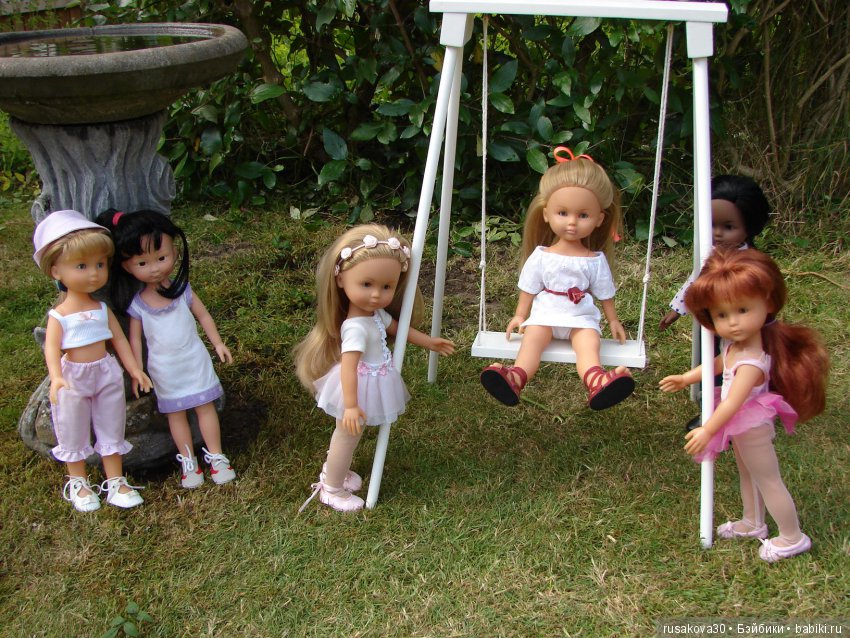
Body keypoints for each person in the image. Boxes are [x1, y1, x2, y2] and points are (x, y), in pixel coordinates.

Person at [659, 249, 828, 562]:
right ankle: (752, 521)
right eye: (721, 315)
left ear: (768, 303)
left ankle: (792, 536)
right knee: (747, 473)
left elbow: (732, 402)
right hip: (741, 425)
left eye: (742, 310)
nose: (733, 323)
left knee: (768, 479)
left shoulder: (752, 361)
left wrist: (708, 430)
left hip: (749, 422)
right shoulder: (736, 346)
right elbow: (720, 363)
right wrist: (686, 377)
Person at [294, 224, 454, 512]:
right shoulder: (355, 328)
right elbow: (348, 367)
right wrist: (351, 405)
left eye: (386, 287)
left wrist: (429, 342)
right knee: (347, 435)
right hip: (356, 386)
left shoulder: (376, 314)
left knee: (350, 435)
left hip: (371, 381)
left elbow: (398, 329)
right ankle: (331, 488)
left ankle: (336, 471)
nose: (377, 294)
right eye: (366, 284)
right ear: (340, 280)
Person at [479, 147, 634, 410]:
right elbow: (529, 287)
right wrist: (520, 315)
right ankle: (516, 377)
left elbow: (604, 292)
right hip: (546, 313)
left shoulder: (594, 260)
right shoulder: (542, 255)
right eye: (563, 213)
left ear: (599, 219)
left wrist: (613, 320)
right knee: (532, 339)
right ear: (546, 213)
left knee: (589, 343)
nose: (572, 222)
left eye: (583, 215)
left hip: (580, 316)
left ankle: (596, 381)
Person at [97, 209, 236, 489]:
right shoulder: (138, 304)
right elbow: (135, 340)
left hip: (194, 360)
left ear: (174, 251)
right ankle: (188, 462)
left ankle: (217, 456)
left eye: (162, 258)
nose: (155, 268)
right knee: (176, 414)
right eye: (143, 263)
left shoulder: (183, 289)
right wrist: (137, 371)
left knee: (205, 407)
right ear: (127, 266)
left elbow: (203, 315)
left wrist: (218, 343)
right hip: (164, 368)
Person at [33, 209, 152, 511]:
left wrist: (134, 369)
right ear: (56, 271)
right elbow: (52, 349)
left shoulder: (102, 309)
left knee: (112, 422)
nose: (94, 273)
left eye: (100, 264)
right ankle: (79, 483)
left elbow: (119, 341)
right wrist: (56, 377)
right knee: (72, 427)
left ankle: (116, 482)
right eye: (82, 266)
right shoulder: (59, 315)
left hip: (106, 372)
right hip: (73, 376)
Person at [659, 175, 771, 331]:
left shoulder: (752, 263)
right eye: (711, 224)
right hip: (712, 319)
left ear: (749, 226)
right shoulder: (710, 255)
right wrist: (677, 309)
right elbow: (695, 281)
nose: (717, 233)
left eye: (728, 227)